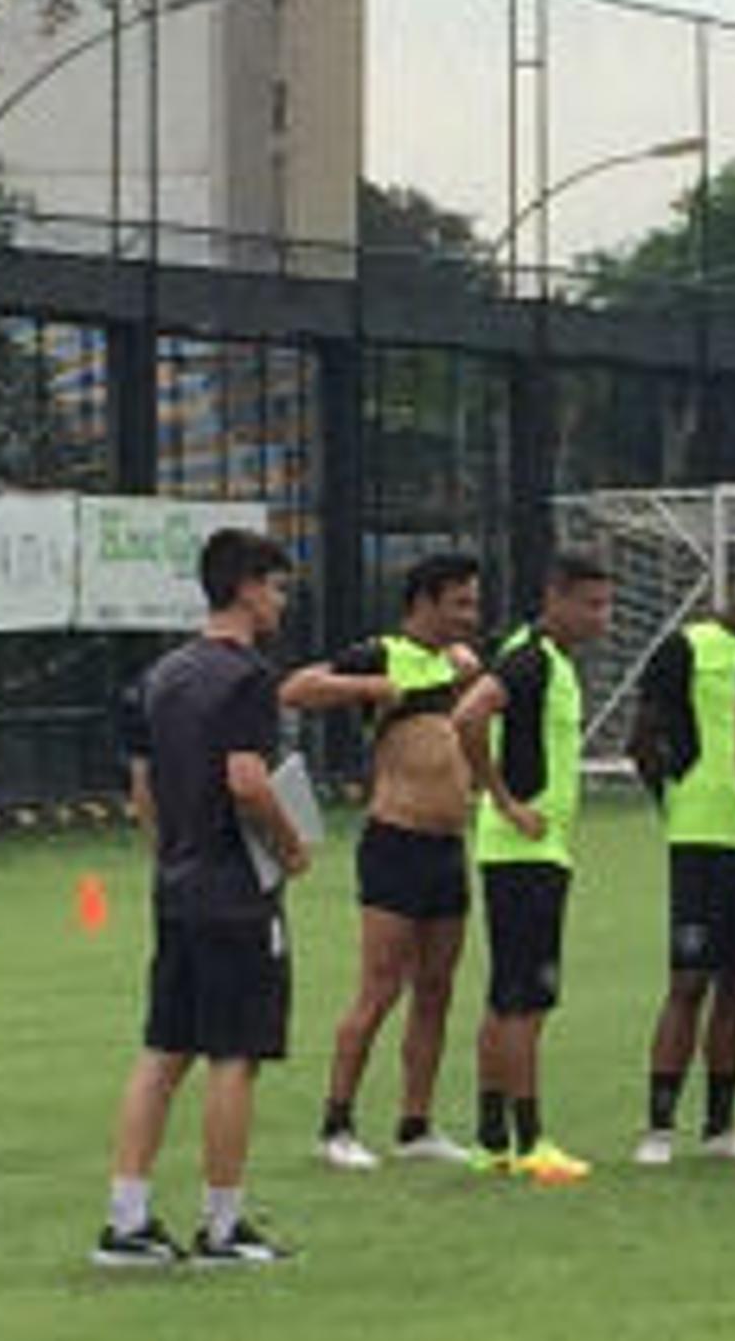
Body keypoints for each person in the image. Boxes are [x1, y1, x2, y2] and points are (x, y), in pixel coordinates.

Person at [94, 527, 312, 1270]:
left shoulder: (161, 676)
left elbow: (143, 789)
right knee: (235, 1054)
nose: (280, 603)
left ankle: (126, 1219)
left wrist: (170, 852)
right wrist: (289, 844)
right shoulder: (247, 676)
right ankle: (222, 1226)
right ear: (248, 586)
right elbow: (248, 779)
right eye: (277, 588)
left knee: (164, 1050)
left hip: (177, 885)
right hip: (235, 890)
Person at [275, 554, 489, 1172]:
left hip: (449, 847)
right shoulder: (382, 653)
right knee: (379, 988)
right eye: (460, 603)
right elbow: (295, 688)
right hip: (396, 843)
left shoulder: (462, 665)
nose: (470, 616)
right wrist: (368, 689)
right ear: (424, 602)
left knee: (437, 990)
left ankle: (415, 1124)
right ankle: (336, 1124)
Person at [623, 548, 735, 1167]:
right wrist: (675, 797)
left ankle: (720, 1125)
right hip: (700, 838)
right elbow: (641, 738)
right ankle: (659, 1127)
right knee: (687, 981)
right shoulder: (688, 648)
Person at [450, 550, 620, 1183]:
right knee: (526, 1000)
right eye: (592, 604)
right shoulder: (529, 660)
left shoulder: (544, 659)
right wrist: (502, 798)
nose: (603, 618)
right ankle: (529, 1140)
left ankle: (492, 1138)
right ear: (557, 596)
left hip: (527, 852)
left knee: (507, 997)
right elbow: (467, 717)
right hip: (524, 852)